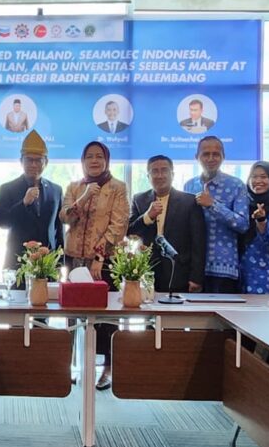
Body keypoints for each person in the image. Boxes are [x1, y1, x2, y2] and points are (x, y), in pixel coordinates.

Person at [61, 141, 130, 390]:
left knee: (105, 315)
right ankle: (70, 364)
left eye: (99, 156)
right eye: (89, 156)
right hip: (74, 259)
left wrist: (100, 257)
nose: (94, 161)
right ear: (82, 161)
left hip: (103, 261)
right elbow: (65, 217)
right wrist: (85, 196)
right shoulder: (74, 187)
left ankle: (108, 367)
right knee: (71, 313)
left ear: (106, 160)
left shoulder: (117, 188)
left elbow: (119, 225)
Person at [128, 155, 205, 293]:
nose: (160, 175)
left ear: (172, 174)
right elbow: (130, 231)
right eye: (154, 171)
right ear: (148, 176)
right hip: (147, 271)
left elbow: (198, 242)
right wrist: (147, 217)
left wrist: (196, 277)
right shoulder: (139, 199)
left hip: (179, 271)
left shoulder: (189, 201)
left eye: (164, 170)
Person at [183, 136, 249, 293]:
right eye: (206, 154)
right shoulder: (189, 186)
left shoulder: (236, 185)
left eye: (216, 154)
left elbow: (243, 224)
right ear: (197, 157)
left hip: (224, 268)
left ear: (223, 157)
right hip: (194, 268)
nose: (211, 158)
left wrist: (213, 205)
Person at [0, 131, 64, 272]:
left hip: (48, 263)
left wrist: (59, 263)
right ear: (21, 161)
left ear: (46, 162)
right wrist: (24, 203)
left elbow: (59, 229)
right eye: (29, 160)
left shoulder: (56, 190)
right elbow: (2, 222)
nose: (33, 164)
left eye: (38, 160)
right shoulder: (8, 188)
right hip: (18, 262)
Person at [240, 161, 269, 294]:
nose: (258, 181)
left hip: (265, 269)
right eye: (254, 176)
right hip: (241, 268)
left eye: (263, 177)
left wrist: (261, 220)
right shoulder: (242, 203)